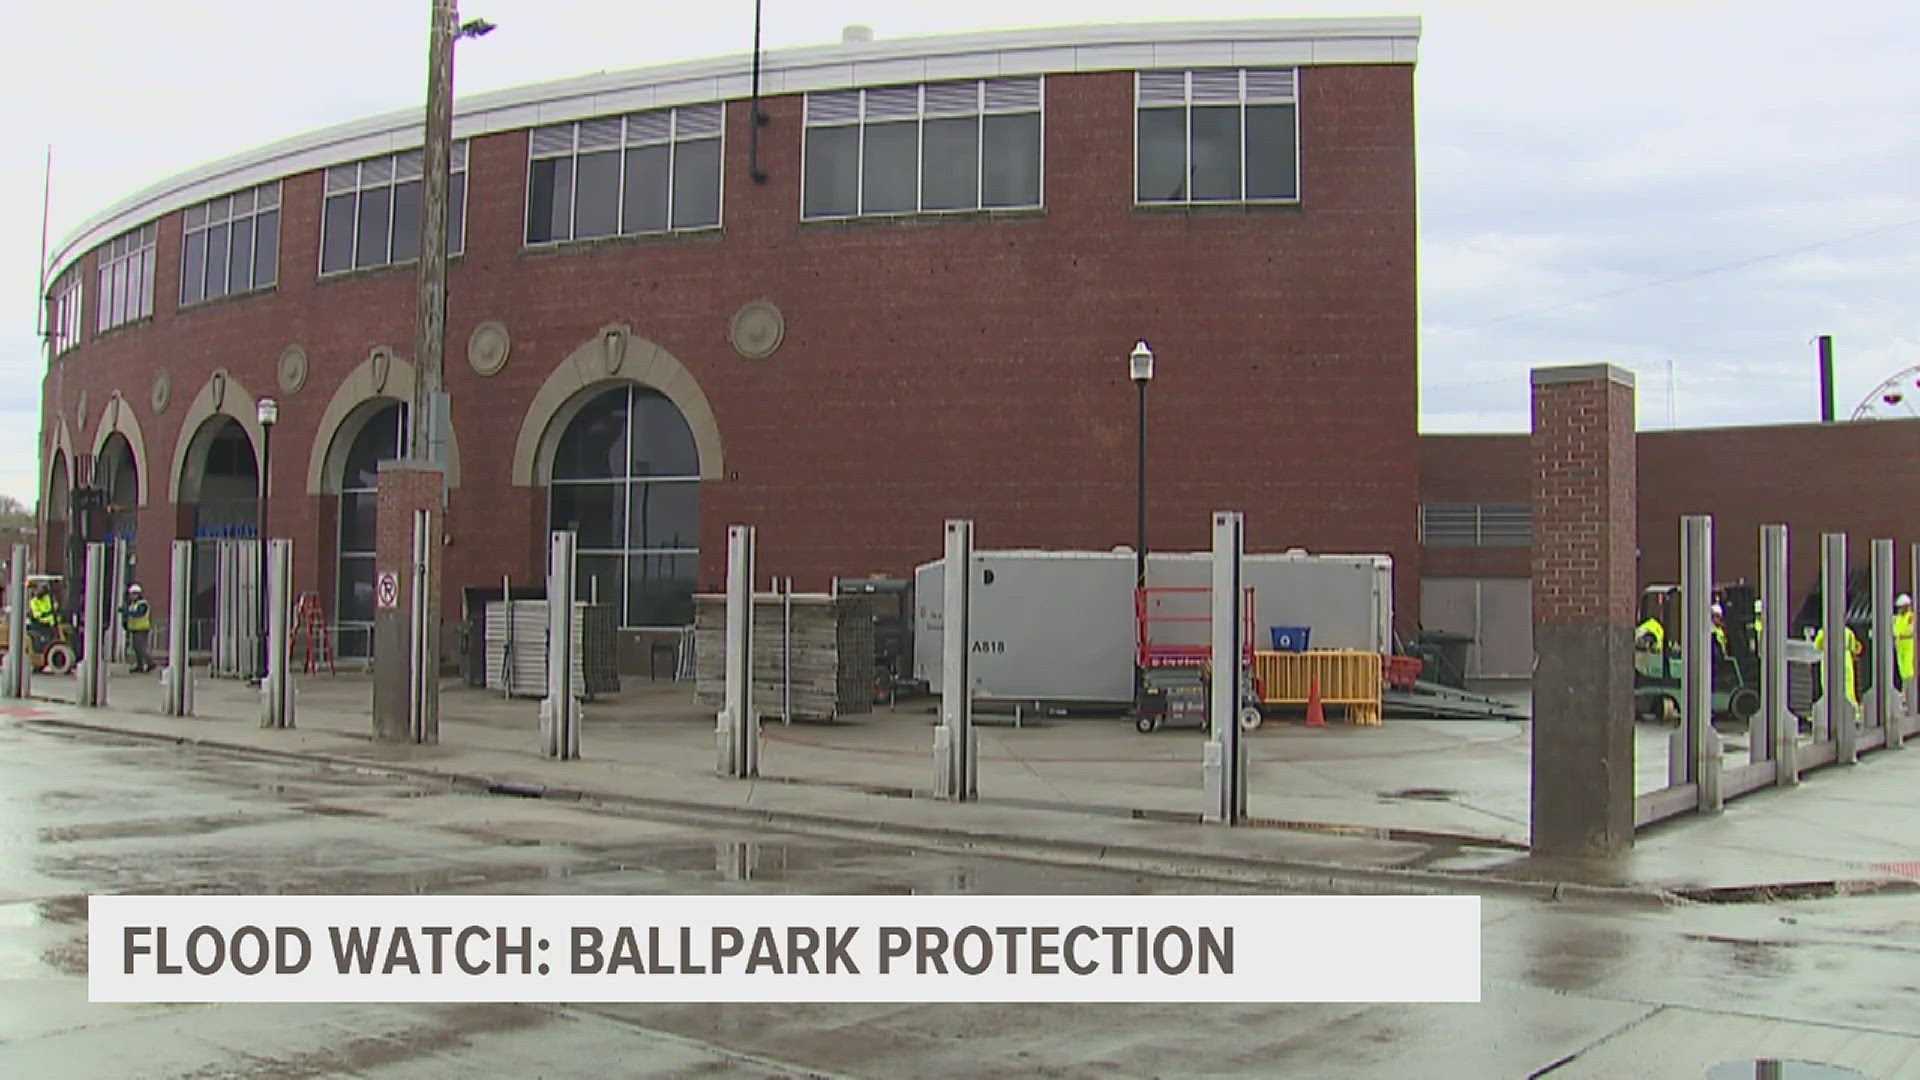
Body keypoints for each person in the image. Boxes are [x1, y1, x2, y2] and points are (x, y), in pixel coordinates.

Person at [1813, 622, 1866, 707]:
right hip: (1845, 658)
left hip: (1829, 657)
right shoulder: (1848, 631)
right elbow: (1853, 647)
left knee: (1828, 683)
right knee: (1848, 685)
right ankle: (1852, 708)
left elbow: (1817, 645)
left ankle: (1830, 706)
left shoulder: (1824, 631)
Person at [120, 584, 153, 674]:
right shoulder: (133, 604)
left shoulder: (142, 604)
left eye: (134, 594)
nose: (132, 596)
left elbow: (139, 614)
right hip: (135, 629)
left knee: (141, 647)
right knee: (136, 648)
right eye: (131, 594)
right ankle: (140, 665)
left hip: (142, 629)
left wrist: (126, 612)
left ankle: (150, 663)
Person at [26, 581, 58, 654]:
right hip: (41, 625)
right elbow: (37, 614)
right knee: (43, 640)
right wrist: (48, 613)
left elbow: (55, 606)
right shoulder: (34, 601)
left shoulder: (48, 598)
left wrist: (53, 610)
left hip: (51, 624)